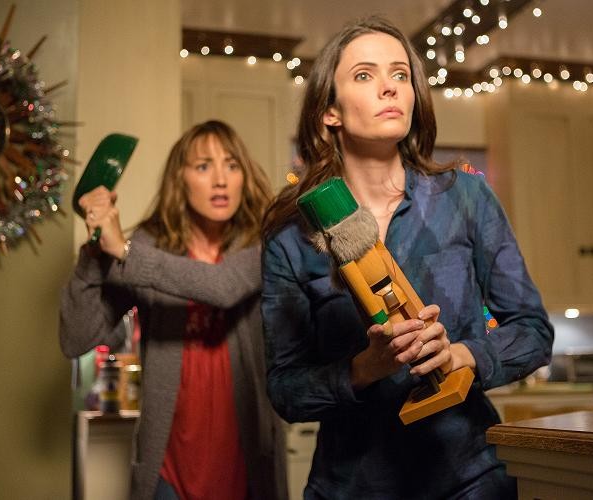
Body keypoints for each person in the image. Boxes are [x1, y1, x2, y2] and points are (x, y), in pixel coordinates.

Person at [261, 17, 553, 500]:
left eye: (400, 74)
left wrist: (460, 355)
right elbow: (285, 390)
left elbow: (533, 332)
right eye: (364, 75)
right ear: (329, 112)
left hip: (469, 480)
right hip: (350, 487)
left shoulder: (466, 197)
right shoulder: (291, 234)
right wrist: (365, 368)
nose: (390, 87)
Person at [60, 120, 288, 500]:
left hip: (246, 463)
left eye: (232, 165)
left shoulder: (262, 244)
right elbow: (76, 338)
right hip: (167, 469)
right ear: (179, 178)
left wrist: (125, 251)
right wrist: (95, 252)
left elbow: (223, 287)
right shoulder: (150, 245)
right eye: (203, 166)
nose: (220, 180)